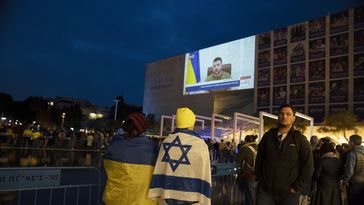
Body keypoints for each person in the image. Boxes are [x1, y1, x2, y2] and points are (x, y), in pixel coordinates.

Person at [148, 107, 212, 205]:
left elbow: (161, 168)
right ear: (191, 123)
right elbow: (204, 172)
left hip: (167, 197)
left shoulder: (166, 142)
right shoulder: (200, 144)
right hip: (193, 198)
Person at [255, 104, 314, 205]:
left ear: (293, 118)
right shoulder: (268, 136)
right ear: (278, 116)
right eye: (281, 113)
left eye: (288, 114)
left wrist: (296, 188)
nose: (284, 116)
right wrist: (260, 179)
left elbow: (308, 167)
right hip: (265, 191)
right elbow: (259, 158)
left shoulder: (300, 140)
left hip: (289, 193)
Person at [103, 113, 159, 205]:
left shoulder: (115, 144)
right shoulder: (151, 147)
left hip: (114, 199)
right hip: (141, 201)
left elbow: (106, 166)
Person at [235, 135, 258, 205]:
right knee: (255, 194)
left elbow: (237, 161)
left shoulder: (244, 148)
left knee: (249, 195)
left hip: (248, 174)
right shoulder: (260, 147)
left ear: (246, 141)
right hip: (259, 174)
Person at [342, 134, 364, 205]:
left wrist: (345, 180)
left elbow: (350, 171)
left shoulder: (352, 154)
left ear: (351, 143)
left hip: (354, 182)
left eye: (349, 141)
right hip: (363, 181)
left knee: (353, 201)